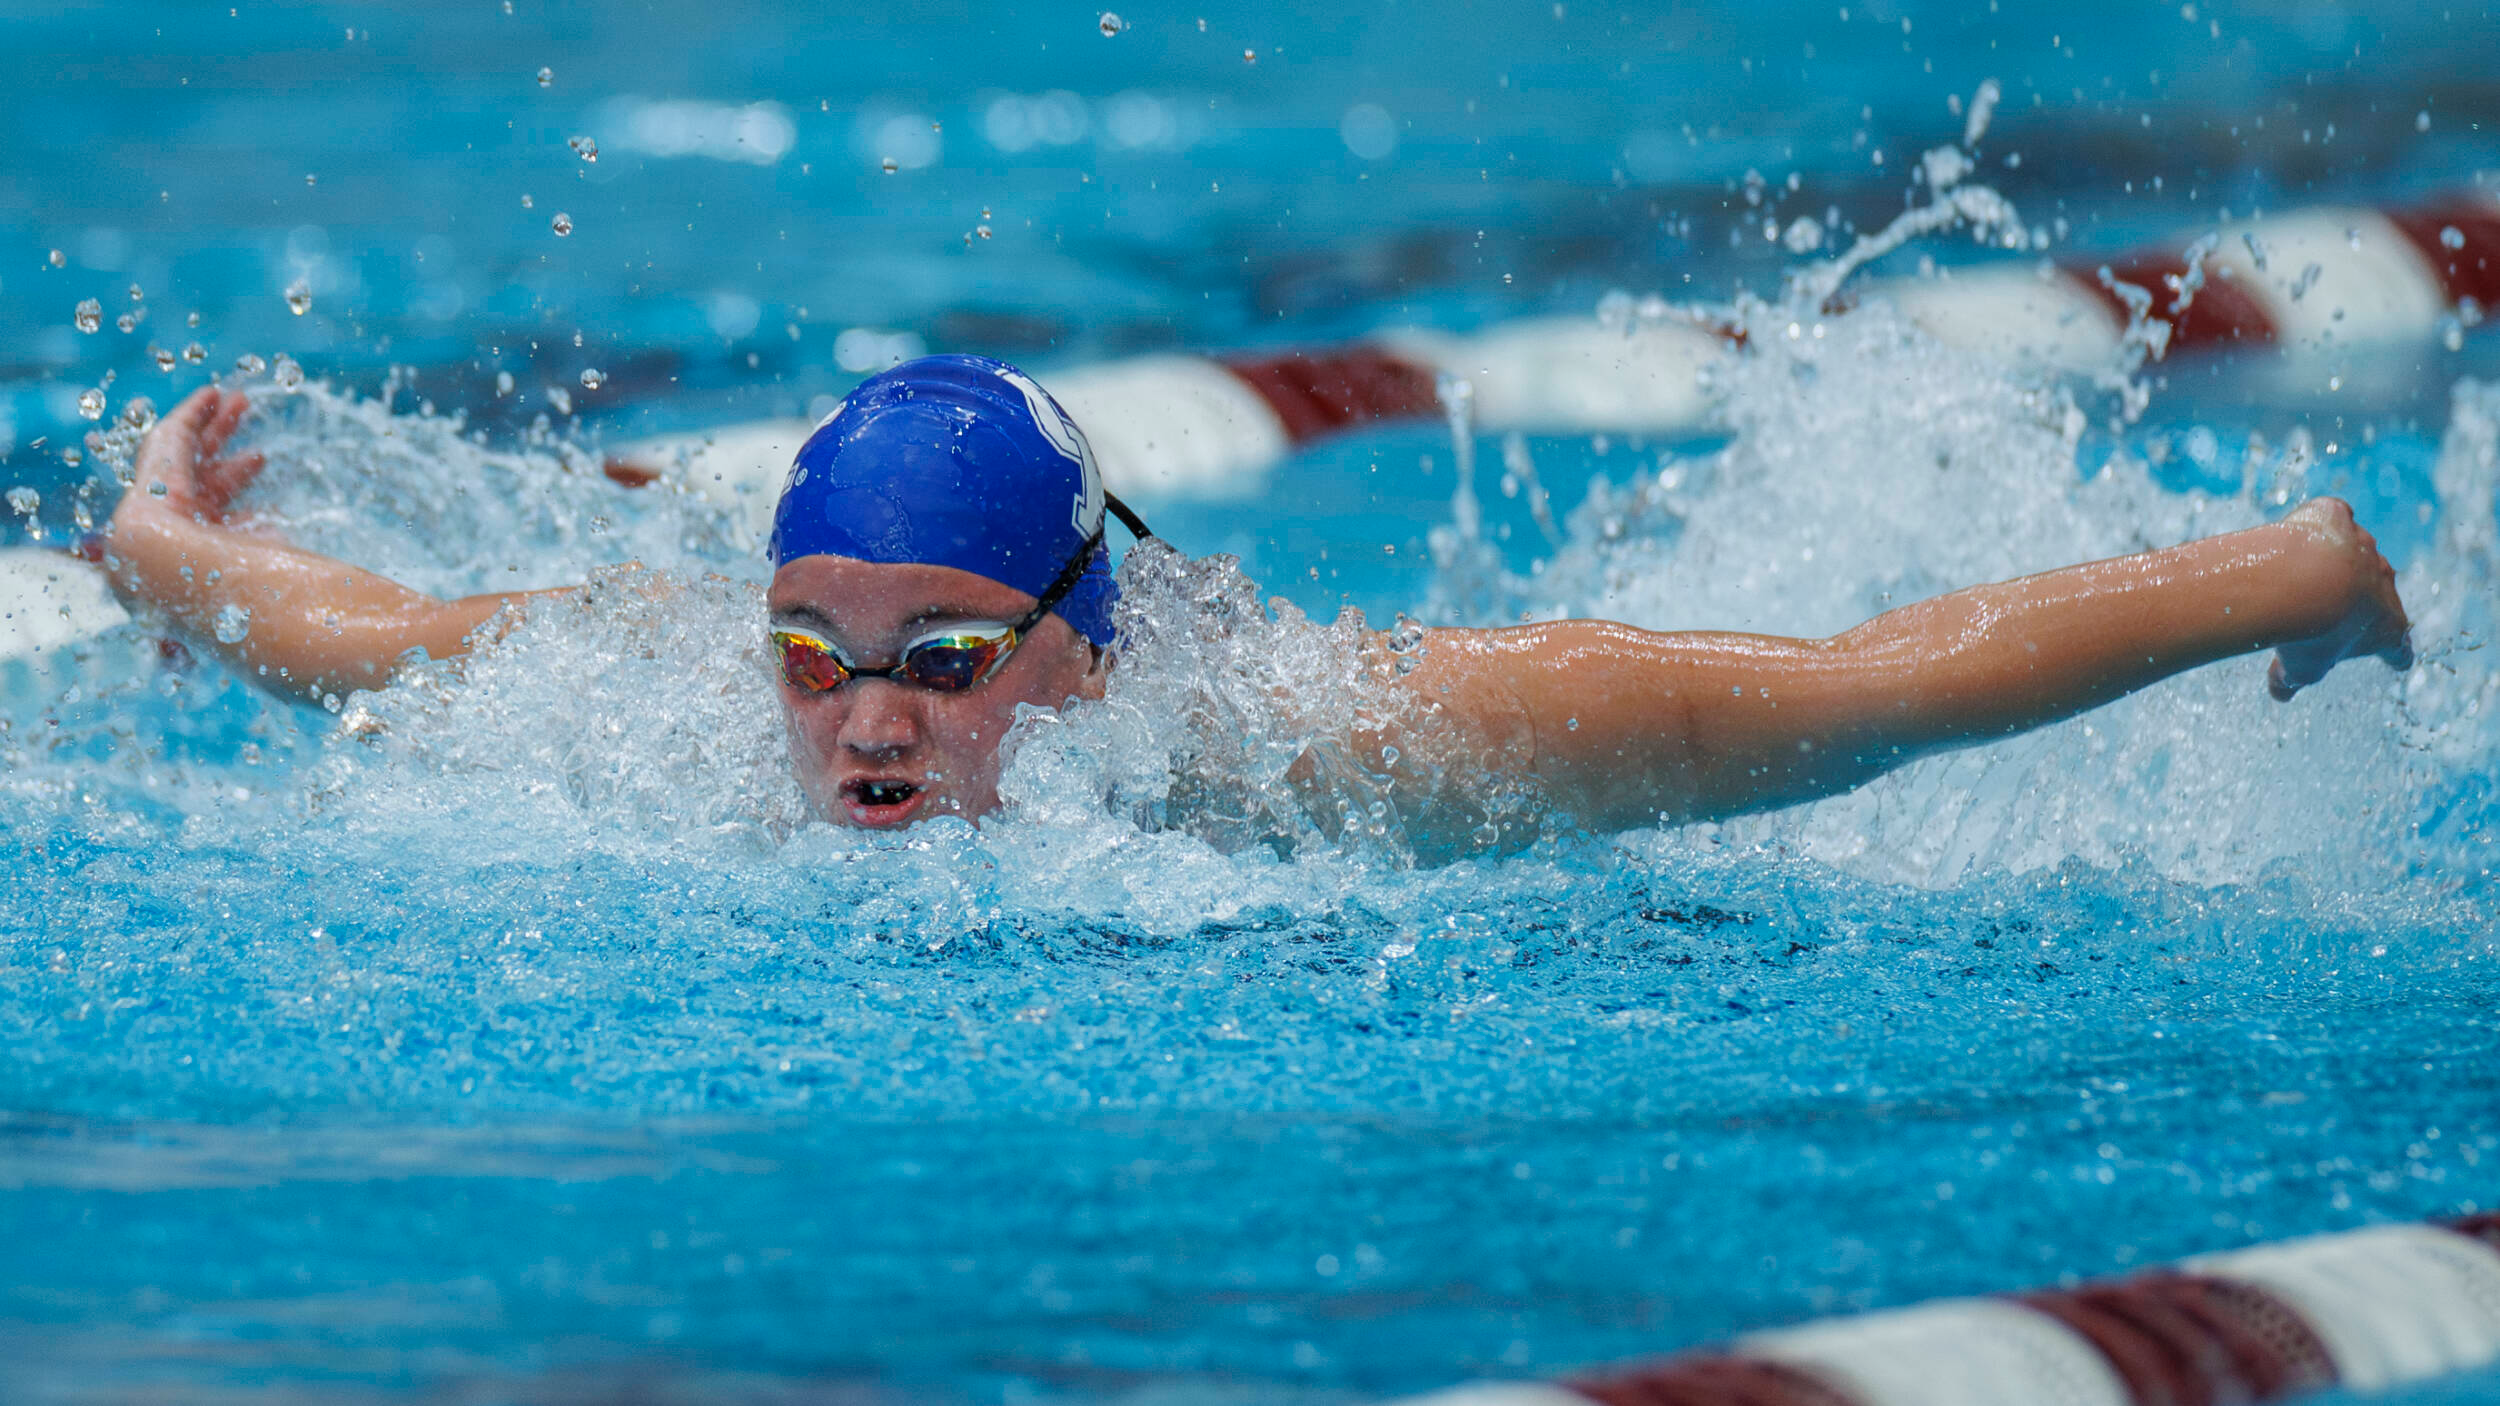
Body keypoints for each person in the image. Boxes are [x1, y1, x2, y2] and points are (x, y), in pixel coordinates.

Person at [96, 354, 2412, 858]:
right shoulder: (635, 703)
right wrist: (157, 534)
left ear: (1077, 637)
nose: (861, 719)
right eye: (810, 654)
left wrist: (2282, 573)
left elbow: (1850, 688)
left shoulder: (1347, 742)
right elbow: (340, 630)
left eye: (939, 653)